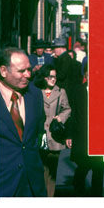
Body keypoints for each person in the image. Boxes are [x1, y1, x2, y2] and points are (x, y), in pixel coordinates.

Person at [0, 47, 47, 197]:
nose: (28, 75)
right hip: (1, 185)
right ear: (3, 71)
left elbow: (36, 134)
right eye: (21, 71)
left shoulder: (35, 95)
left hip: (32, 185)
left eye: (29, 70)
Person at [66, 62, 104, 196]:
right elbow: (72, 114)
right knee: (82, 167)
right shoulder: (77, 90)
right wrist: (69, 135)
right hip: (81, 135)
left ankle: (97, 197)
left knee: (99, 170)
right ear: (85, 75)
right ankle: (79, 194)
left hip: (99, 137)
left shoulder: (102, 91)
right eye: (89, 73)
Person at [34, 65, 71, 197]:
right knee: (40, 169)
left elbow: (67, 109)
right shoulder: (36, 92)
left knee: (52, 171)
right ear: (44, 77)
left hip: (55, 136)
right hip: (40, 135)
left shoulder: (61, 92)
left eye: (54, 76)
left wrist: (60, 118)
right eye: (50, 76)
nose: (53, 79)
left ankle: (50, 197)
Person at [52, 37, 81, 107]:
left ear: (60, 48)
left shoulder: (64, 59)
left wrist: (51, 76)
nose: (53, 50)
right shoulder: (64, 58)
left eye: (54, 48)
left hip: (65, 89)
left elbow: (61, 75)